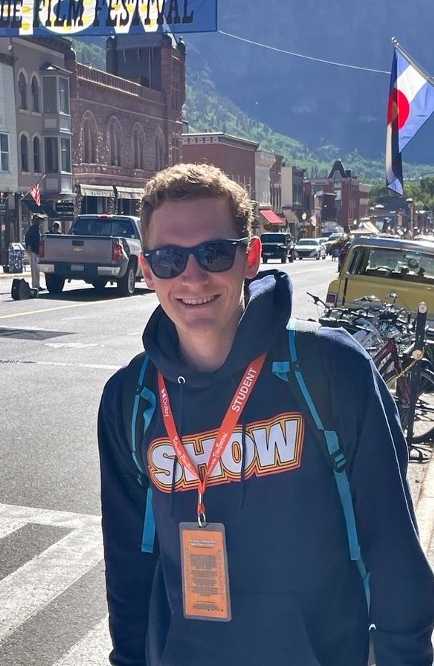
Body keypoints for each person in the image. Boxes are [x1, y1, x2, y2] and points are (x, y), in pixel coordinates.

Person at [98, 162, 434, 666]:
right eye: (168, 258)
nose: (191, 276)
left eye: (213, 252)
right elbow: (128, 564)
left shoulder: (329, 368)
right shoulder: (131, 398)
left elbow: (390, 543)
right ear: (146, 270)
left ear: (251, 256)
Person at [24, 214, 44, 290]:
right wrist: (29, 247)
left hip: (36, 251)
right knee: (34, 268)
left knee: (36, 269)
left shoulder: (36, 229)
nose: (39, 222)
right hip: (33, 251)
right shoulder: (33, 229)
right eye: (38, 220)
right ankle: (35, 285)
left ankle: (37, 285)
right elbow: (28, 238)